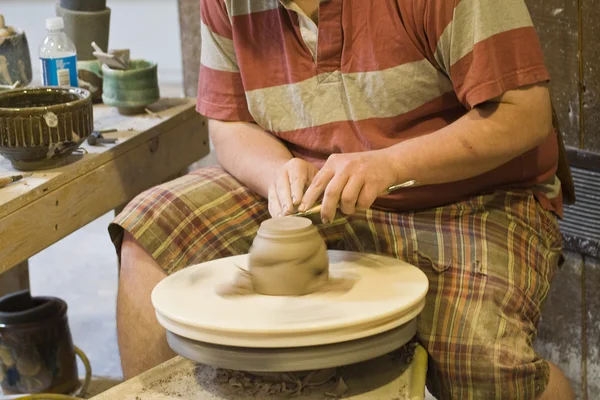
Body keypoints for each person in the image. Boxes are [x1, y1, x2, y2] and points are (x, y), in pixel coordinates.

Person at [109, 0, 576, 398]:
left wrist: (391, 165)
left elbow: (525, 113)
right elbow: (229, 122)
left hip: (471, 196)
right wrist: (277, 172)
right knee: (149, 233)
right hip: (314, 189)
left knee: (479, 363)